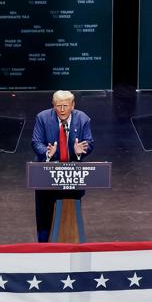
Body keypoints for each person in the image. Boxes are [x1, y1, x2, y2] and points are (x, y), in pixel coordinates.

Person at [30, 90, 94, 242]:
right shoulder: (42, 117)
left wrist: (80, 151)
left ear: (73, 105)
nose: (62, 109)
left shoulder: (83, 118)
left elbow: (89, 142)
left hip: (72, 173)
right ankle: (44, 245)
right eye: (58, 106)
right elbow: (36, 142)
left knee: (69, 209)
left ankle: (71, 241)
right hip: (46, 172)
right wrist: (46, 152)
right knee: (45, 212)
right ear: (53, 106)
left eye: (66, 105)